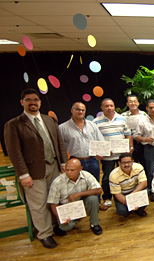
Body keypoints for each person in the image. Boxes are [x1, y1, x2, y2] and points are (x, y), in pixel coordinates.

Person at [4, 88, 68, 249]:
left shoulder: (49, 120)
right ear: (22, 102)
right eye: (28, 100)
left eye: (35, 100)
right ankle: (44, 234)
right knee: (38, 204)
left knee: (54, 198)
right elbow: (14, 152)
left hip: (53, 165)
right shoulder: (14, 124)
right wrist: (23, 174)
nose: (33, 103)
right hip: (33, 171)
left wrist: (63, 163)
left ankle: (55, 225)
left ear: (40, 102)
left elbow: (59, 142)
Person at [93, 98, 133, 208]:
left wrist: (131, 147)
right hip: (107, 156)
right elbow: (94, 139)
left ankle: (124, 195)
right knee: (107, 177)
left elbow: (128, 134)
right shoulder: (96, 122)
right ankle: (107, 198)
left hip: (122, 154)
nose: (109, 108)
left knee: (124, 175)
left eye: (111, 105)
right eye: (106, 106)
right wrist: (101, 151)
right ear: (102, 108)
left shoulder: (122, 119)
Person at [47, 159, 103, 236]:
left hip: (80, 202)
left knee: (93, 199)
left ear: (80, 169)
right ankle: (69, 222)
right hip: (65, 207)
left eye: (72, 170)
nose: (69, 173)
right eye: (67, 170)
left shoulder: (86, 175)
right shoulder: (57, 182)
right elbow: (53, 203)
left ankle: (94, 224)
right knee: (67, 227)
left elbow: (99, 190)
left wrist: (78, 194)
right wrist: (60, 217)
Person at [109, 153, 148, 217]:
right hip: (122, 194)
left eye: (128, 162)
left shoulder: (138, 167)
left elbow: (144, 183)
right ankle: (130, 209)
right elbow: (117, 194)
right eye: (123, 163)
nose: (126, 165)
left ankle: (139, 210)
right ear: (119, 163)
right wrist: (130, 203)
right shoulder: (113, 175)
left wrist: (132, 195)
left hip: (135, 191)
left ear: (132, 162)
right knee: (122, 211)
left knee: (147, 192)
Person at [121, 95, 147, 166]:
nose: (133, 103)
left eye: (135, 101)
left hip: (142, 143)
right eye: (131, 102)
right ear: (127, 104)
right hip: (130, 144)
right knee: (131, 164)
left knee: (144, 164)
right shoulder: (123, 116)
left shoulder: (144, 114)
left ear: (138, 103)